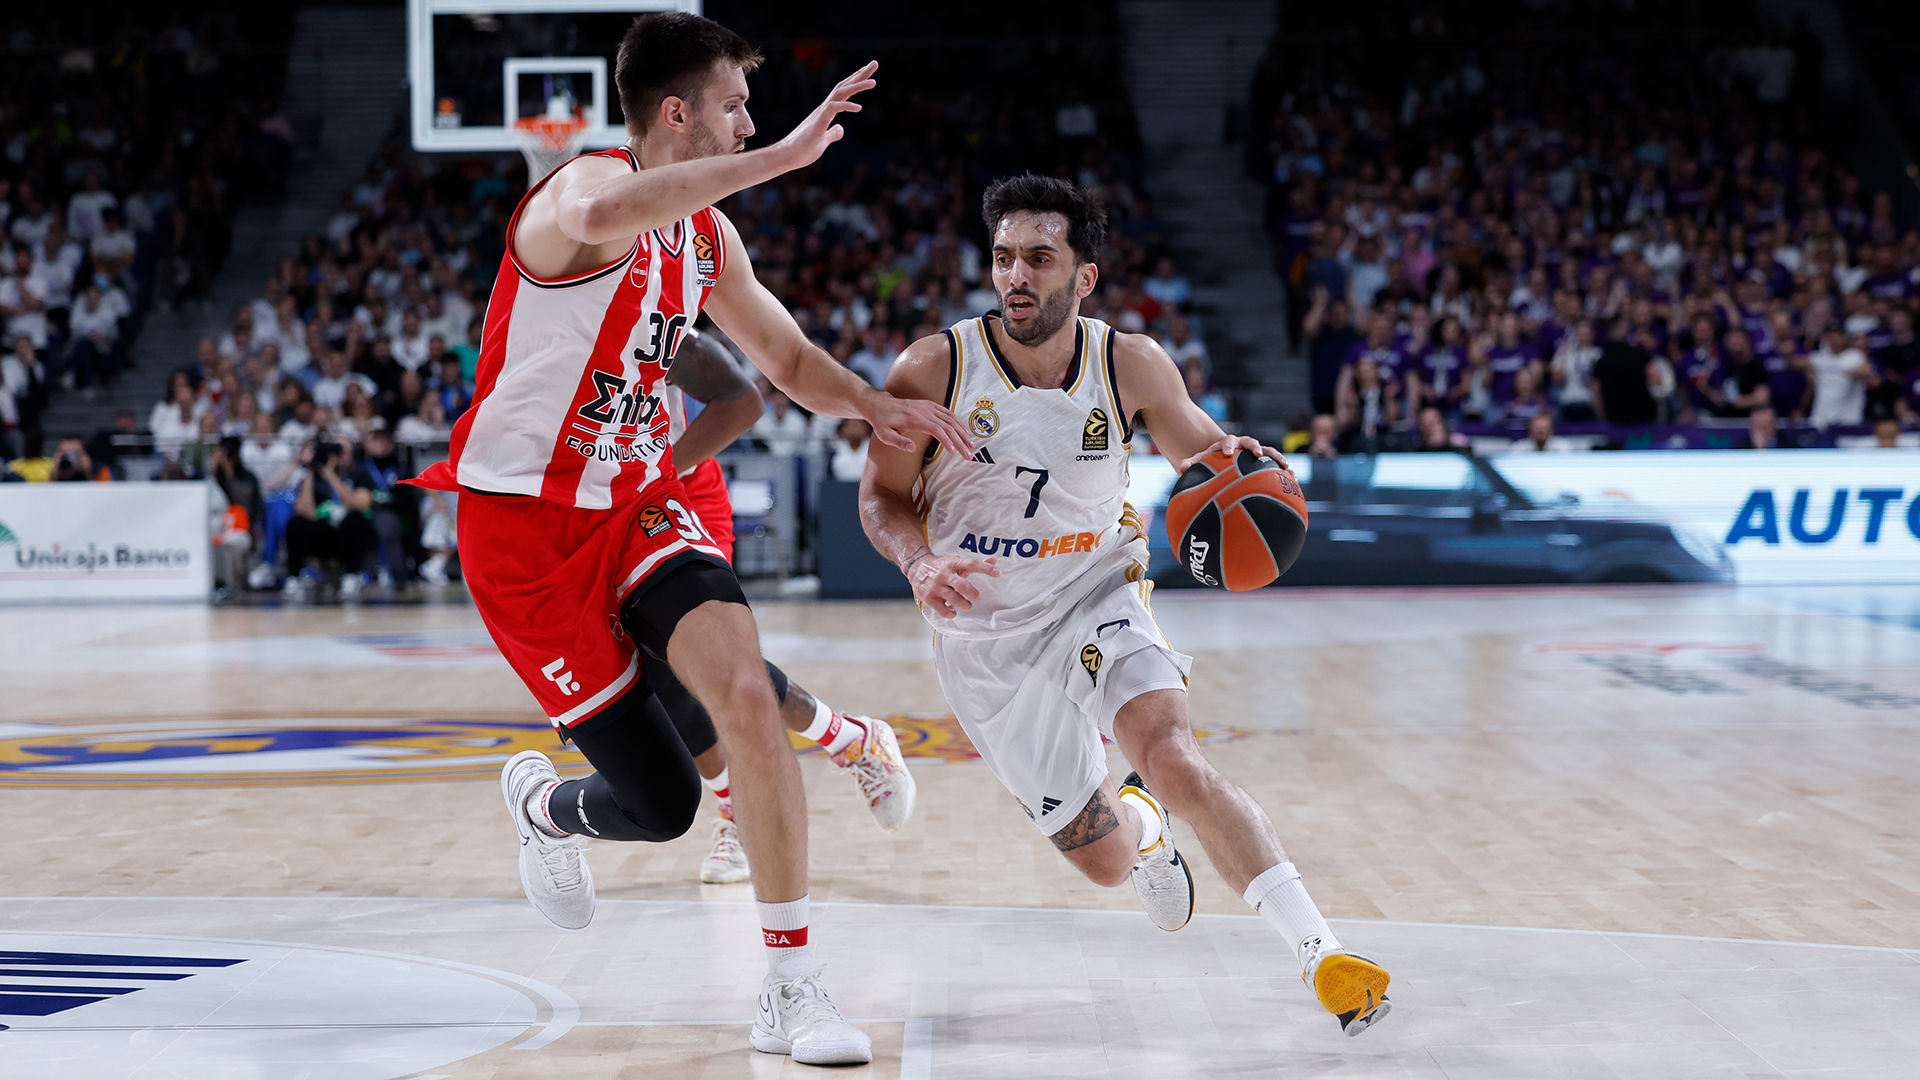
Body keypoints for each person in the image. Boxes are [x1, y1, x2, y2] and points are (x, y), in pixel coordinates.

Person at [404, 14, 969, 1067]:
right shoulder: (579, 193)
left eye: (755, 113)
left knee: (744, 691)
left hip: (633, 503)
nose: (751, 120)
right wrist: (784, 156)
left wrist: (867, 407)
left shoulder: (707, 238)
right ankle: (548, 805)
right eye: (735, 106)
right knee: (660, 806)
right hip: (521, 530)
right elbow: (615, 207)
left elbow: (784, 362)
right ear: (678, 114)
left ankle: (792, 989)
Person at [860, 174, 1394, 1039]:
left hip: (1096, 590)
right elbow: (882, 497)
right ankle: (1143, 829)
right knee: (1106, 865)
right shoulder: (934, 367)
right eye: (1003, 259)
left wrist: (1235, 460)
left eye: (1040, 257)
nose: (1016, 277)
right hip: (983, 637)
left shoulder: (1130, 363)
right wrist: (918, 562)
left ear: (1085, 277)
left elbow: (1203, 454)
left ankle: (1322, 953)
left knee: (1175, 756)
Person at [659, 329, 917, 885]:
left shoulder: (661, 320)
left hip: (677, 489)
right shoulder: (555, 322)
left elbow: (742, 399)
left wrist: (657, 473)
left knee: (706, 658)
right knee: (662, 677)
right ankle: (846, 741)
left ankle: (830, 756)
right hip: (601, 502)